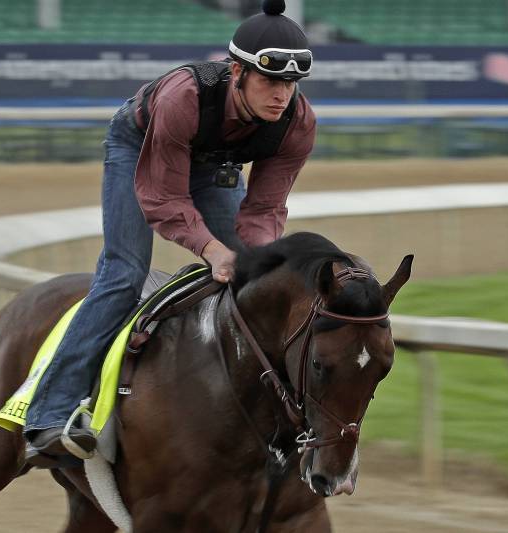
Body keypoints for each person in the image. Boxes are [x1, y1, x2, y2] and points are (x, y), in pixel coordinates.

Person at [24, 0, 317, 464]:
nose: (282, 95)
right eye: (270, 80)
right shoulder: (185, 96)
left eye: (291, 83)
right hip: (141, 148)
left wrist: (257, 261)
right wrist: (211, 248)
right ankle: (47, 415)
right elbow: (162, 199)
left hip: (213, 164)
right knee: (124, 274)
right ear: (236, 73)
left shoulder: (298, 124)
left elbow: (264, 210)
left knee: (252, 278)